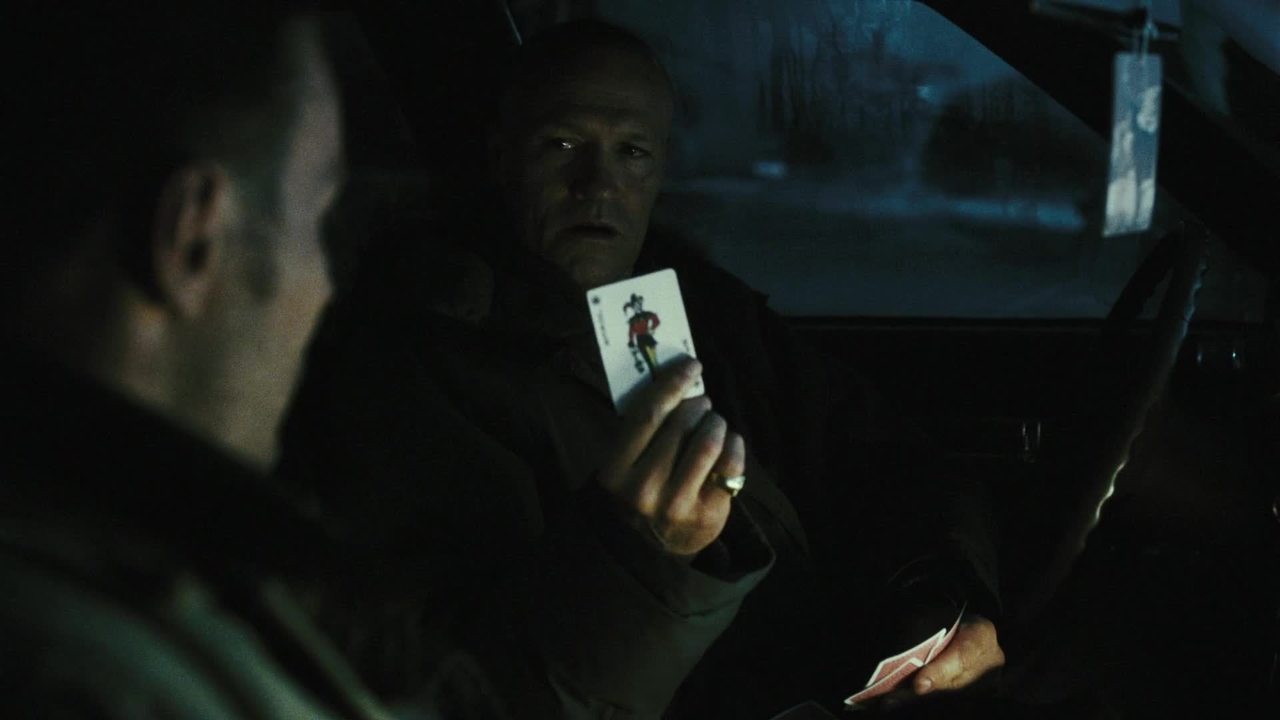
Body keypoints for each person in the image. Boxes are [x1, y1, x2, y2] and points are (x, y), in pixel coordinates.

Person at [2, 8, 764, 719]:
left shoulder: (160, 573)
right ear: (192, 236)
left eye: (634, 151)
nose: (325, 289)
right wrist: (642, 558)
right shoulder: (109, 659)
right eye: (316, 224)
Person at [283, 19, 1002, 719]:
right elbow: (457, 682)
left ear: (660, 170)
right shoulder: (417, 370)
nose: (597, 183)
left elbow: (876, 452)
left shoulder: (707, 309)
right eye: (564, 144)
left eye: (631, 152)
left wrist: (946, 594)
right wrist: (646, 558)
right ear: (502, 157)